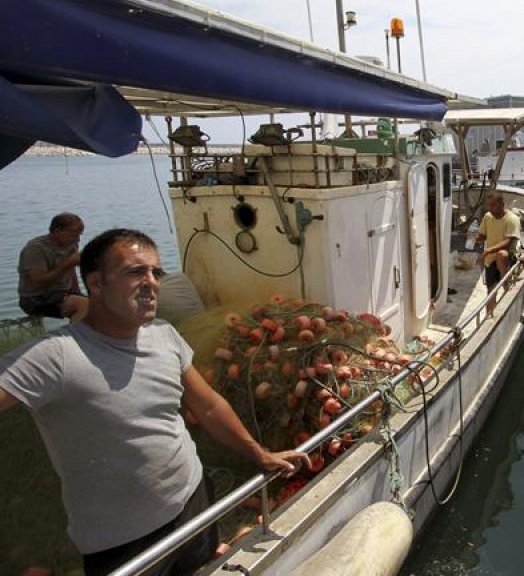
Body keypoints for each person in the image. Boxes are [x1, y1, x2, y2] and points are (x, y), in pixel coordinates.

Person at [0, 228, 311, 576]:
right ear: (97, 284)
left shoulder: (164, 335)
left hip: (193, 502)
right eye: (135, 272)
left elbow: (208, 406)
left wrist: (259, 453)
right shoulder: (55, 355)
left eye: (155, 272)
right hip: (122, 541)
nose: (151, 282)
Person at [18, 212, 88, 321]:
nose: (78, 239)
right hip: (36, 298)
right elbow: (37, 281)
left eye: (79, 235)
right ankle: (75, 336)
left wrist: (77, 292)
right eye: (73, 235)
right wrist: (69, 264)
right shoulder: (36, 248)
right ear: (57, 231)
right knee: (84, 305)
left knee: (100, 305)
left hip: (62, 293)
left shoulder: (71, 244)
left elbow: (71, 271)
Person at [476, 192, 521, 316]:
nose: (490, 208)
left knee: (502, 254)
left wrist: (488, 250)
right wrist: (476, 237)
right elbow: (483, 235)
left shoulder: (512, 219)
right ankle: (489, 316)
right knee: (490, 291)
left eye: (493, 205)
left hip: (508, 256)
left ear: (502, 204)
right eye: (489, 206)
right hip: (490, 259)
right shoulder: (487, 217)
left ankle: (505, 282)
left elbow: (508, 241)